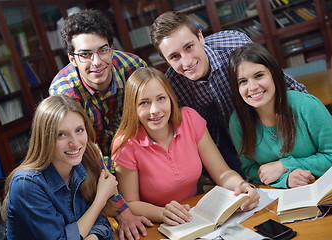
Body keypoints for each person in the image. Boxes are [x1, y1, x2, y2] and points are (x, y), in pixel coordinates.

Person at [150, 11, 307, 178]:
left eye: (189, 47)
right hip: (218, 141)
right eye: (175, 57)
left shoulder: (235, 46)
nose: (187, 62)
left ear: (200, 37)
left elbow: (287, 87)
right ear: (166, 61)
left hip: (258, 122)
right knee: (247, 189)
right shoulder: (172, 85)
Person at [49, 9, 152, 239]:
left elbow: (151, 121)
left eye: (103, 50)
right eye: (85, 55)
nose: (96, 62)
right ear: (72, 59)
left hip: (134, 156)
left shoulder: (133, 68)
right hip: (88, 170)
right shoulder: (63, 92)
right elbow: (86, 154)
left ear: (111, 48)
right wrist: (123, 212)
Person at [111, 67, 259, 225]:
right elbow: (130, 203)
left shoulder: (189, 118)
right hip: (160, 224)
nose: (155, 110)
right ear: (133, 108)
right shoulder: (125, 144)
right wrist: (162, 213)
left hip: (199, 214)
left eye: (161, 98)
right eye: (144, 103)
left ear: (170, 98)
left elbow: (222, 173)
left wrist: (242, 186)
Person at [2, 95, 118, 239]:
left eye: (79, 130)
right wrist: (100, 199)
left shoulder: (83, 161)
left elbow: (102, 223)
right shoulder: (26, 185)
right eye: (61, 135)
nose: (75, 143)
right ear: (45, 139)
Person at [228, 43, 332, 188]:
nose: (252, 87)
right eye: (243, 81)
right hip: (282, 198)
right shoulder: (237, 121)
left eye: (259, 76)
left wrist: (286, 165)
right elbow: (249, 169)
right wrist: (285, 179)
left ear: (274, 75)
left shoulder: (306, 105)